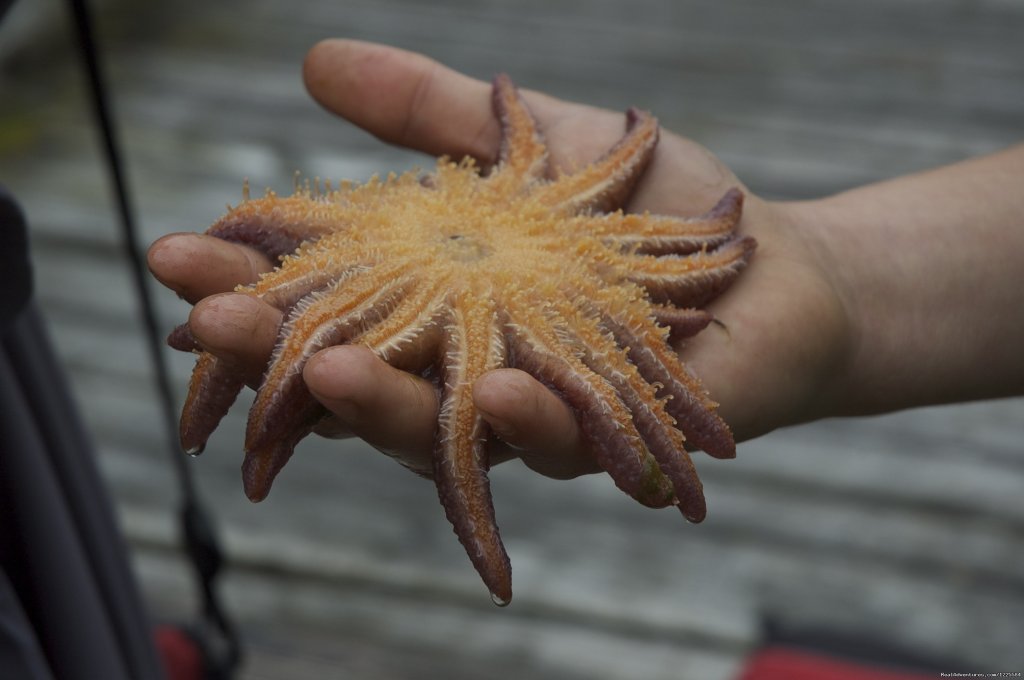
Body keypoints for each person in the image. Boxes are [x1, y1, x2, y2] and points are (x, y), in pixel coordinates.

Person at [147, 38, 1024, 481]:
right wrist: (836, 278)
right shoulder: (367, 230)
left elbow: (713, 236)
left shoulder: (570, 227)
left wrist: (837, 284)